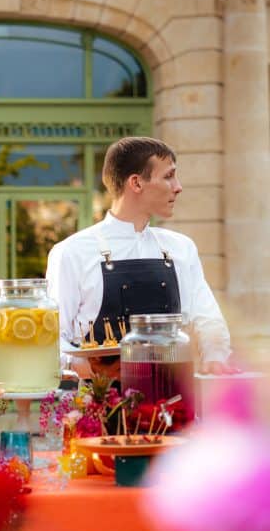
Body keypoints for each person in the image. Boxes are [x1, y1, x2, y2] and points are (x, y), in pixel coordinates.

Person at [46, 136, 236, 378]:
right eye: (168, 176)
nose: (178, 187)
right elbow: (52, 341)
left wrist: (215, 357)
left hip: (172, 403)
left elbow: (207, 319)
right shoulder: (72, 252)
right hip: (99, 405)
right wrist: (92, 369)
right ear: (136, 183)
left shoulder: (181, 247)